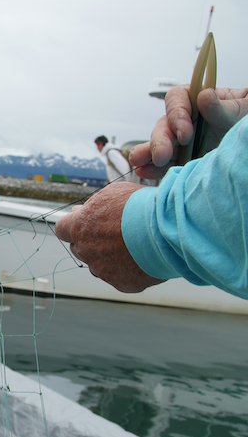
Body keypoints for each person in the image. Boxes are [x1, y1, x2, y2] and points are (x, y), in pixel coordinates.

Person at [56, 86, 248, 299]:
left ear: (101, 144)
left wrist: (138, 220)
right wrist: (231, 143)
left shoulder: (111, 152)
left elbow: (122, 168)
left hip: (123, 194)